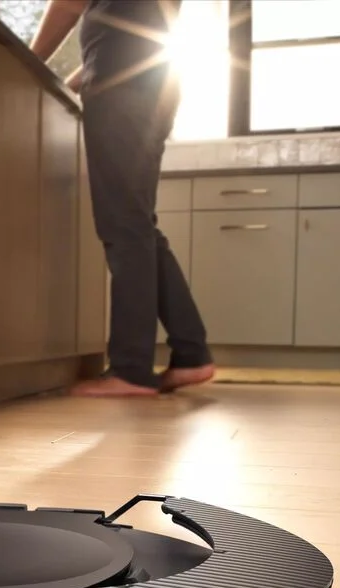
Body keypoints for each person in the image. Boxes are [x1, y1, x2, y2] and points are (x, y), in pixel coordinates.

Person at [30, 0, 215, 397]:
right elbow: (124, 32)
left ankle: (131, 370)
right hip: (152, 85)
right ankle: (191, 352)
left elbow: (67, 4)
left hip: (122, 88)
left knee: (125, 227)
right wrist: (74, 81)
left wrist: (30, 62)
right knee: (140, 227)